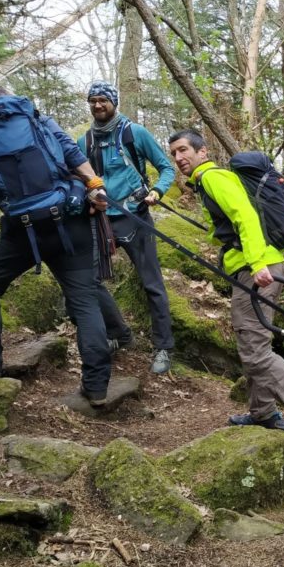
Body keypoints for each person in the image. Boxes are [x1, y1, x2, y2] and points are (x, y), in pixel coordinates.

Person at [0, 86, 114, 406]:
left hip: (22, 232)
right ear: (11, 100)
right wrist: (95, 186)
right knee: (85, 300)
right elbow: (75, 157)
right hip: (69, 222)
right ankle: (97, 387)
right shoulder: (42, 124)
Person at [167, 129, 284, 432]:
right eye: (174, 154)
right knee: (255, 341)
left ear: (202, 151)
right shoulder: (217, 180)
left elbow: (246, 217)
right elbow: (264, 217)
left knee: (253, 348)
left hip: (256, 270)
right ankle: (263, 413)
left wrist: (258, 263)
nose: (179, 158)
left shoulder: (212, 178)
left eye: (184, 150)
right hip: (263, 264)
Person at [78, 81, 177, 375]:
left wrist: (157, 191)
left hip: (136, 216)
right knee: (89, 280)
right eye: (93, 100)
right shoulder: (86, 141)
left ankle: (163, 347)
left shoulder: (134, 133)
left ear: (114, 102)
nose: (98, 105)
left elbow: (166, 167)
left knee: (152, 283)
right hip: (102, 219)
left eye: (102, 100)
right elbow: (80, 177)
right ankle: (119, 333)